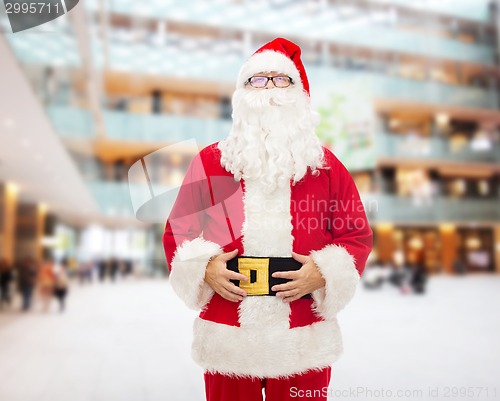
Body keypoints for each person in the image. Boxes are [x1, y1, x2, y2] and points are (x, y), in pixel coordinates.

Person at [163, 38, 373, 401]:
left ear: (299, 93)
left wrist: (324, 272)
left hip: (303, 338)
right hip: (229, 334)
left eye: (281, 80)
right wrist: (204, 268)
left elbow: (355, 235)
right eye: (258, 80)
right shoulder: (211, 162)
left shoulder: (325, 167)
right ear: (241, 94)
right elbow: (178, 230)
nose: (270, 89)